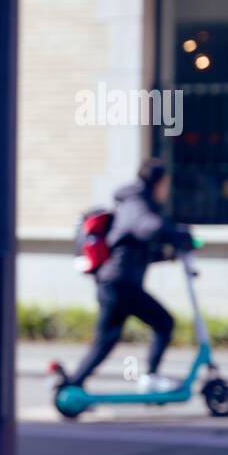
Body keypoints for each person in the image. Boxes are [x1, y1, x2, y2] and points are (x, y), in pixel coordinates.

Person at [67, 158, 192, 391]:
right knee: (164, 322)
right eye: (166, 184)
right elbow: (148, 228)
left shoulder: (133, 202)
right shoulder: (136, 203)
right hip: (121, 284)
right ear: (158, 183)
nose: (167, 190)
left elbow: (130, 246)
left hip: (114, 283)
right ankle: (151, 378)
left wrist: (164, 255)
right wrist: (180, 233)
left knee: (105, 341)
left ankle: (72, 384)